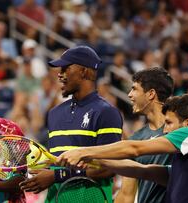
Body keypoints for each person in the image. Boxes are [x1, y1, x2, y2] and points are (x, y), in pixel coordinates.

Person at [57, 94, 188, 203]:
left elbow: (135, 148)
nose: (165, 129)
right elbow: (142, 171)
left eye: (169, 122)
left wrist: (83, 151)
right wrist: (96, 160)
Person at [19, 45, 123, 202]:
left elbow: (108, 169)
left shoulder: (107, 112)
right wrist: (42, 171)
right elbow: (57, 163)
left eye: (65, 69)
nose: (59, 75)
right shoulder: (54, 113)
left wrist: (55, 175)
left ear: (84, 71)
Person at [116, 67, 174, 203]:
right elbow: (126, 194)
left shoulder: (181, 130)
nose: (129, 94)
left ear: (151, 94)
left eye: (134, 89)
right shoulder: (136, 139)